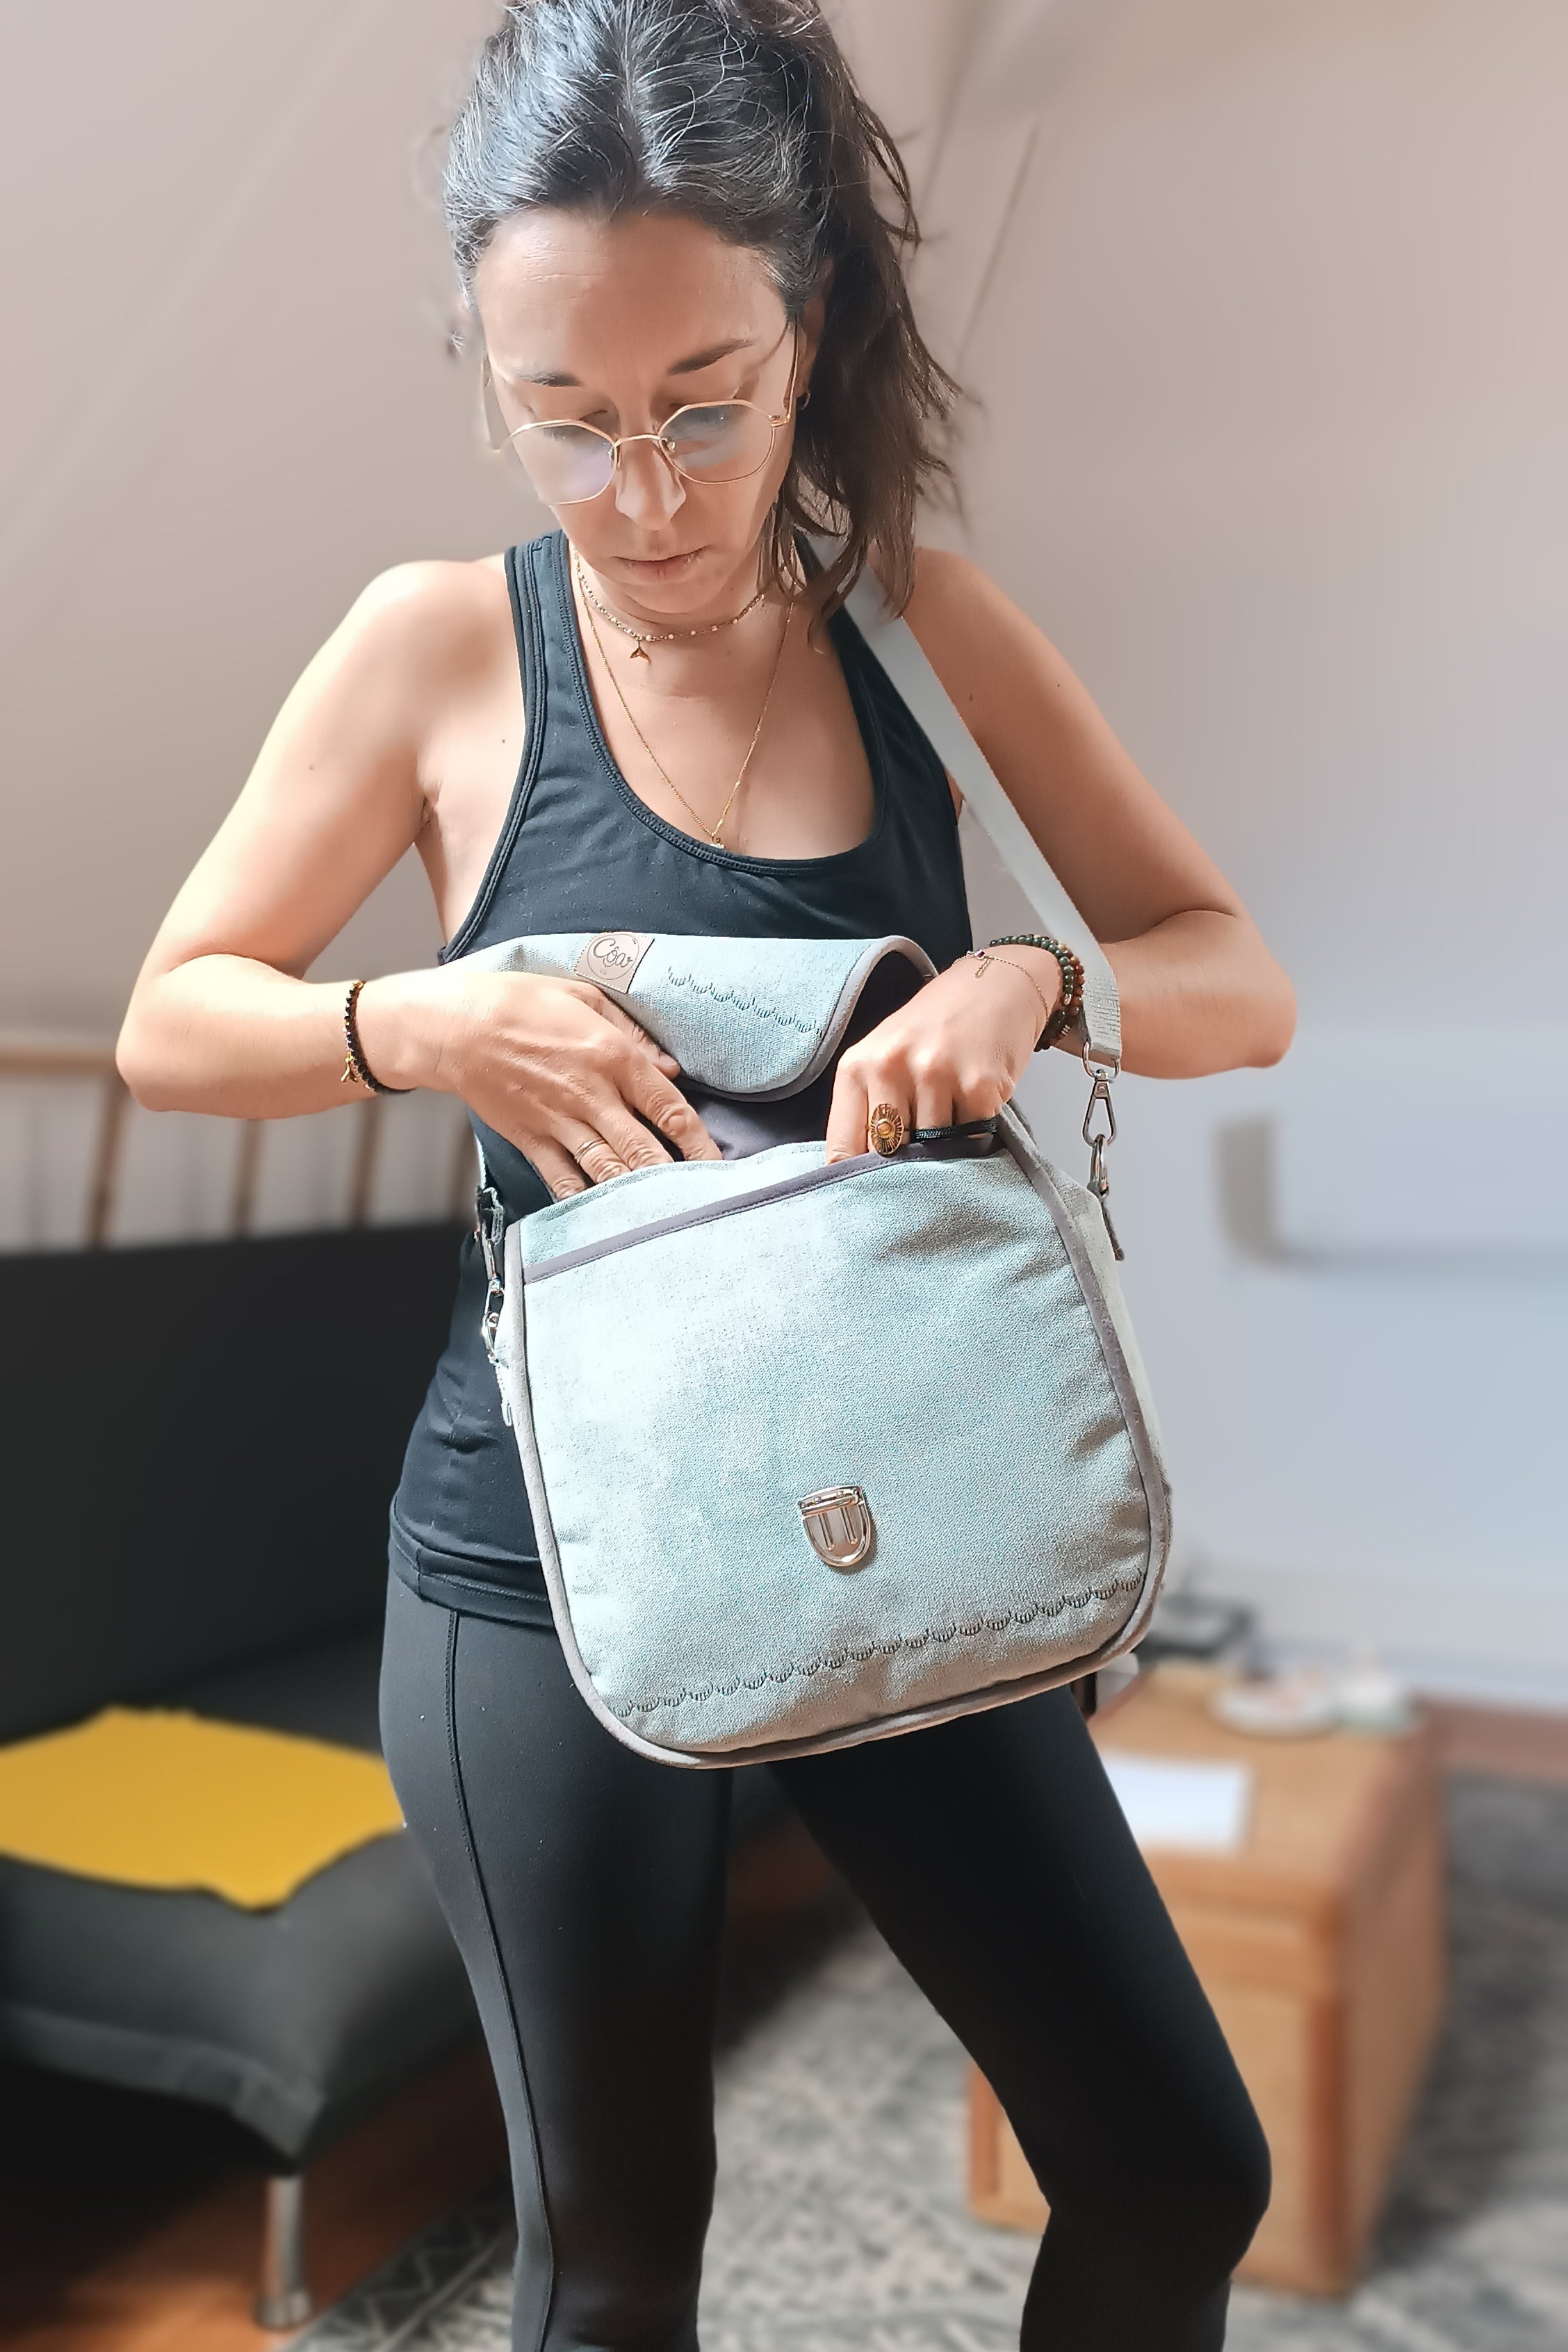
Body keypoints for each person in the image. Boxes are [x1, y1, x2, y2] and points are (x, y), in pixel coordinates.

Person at [118, 3, 1295, 2343]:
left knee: (1176, 2168)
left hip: (905, 1506)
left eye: (703, 407)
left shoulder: (923, 632)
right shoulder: (435, 650)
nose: (643, 492)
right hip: (539, 1565)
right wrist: (410, 1018)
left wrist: (1036, 985)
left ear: (807, 329)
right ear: (488, 371)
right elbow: (171, 1021)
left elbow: (1233, 978)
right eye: (565, 418)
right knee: (616, 2264)